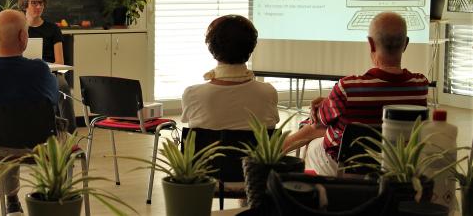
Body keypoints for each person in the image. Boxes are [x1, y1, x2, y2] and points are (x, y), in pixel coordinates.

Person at [283, 11, 429, 176]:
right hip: (397, 169)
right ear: (406, 44)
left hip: (346, 169)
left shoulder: (348, 88)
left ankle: (322, 193)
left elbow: (320, 120)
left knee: (316, 138)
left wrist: (328, 103)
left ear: (371, 44)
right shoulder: (420, 85)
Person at [0, 9, 59, 215]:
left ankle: (11, 201)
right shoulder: (39, 69)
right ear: (23, 36)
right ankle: (56, 197)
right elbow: (53, 100)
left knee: (7, 132)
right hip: (39, 147)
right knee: (44, 127)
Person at [181, 14, 279, 130]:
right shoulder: (267, 92)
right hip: (257, 149)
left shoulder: (193, 94)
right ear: (252, 46)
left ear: (212, 47)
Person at [18, 0, 76, 132]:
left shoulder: (53, 29)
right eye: (34, 3)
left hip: (50, 72)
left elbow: (60, 61)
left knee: (62, 86)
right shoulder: (18, 28)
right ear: (25, 5)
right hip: (23, 72)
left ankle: (71, 133)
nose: (38, 7)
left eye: (41, 3)